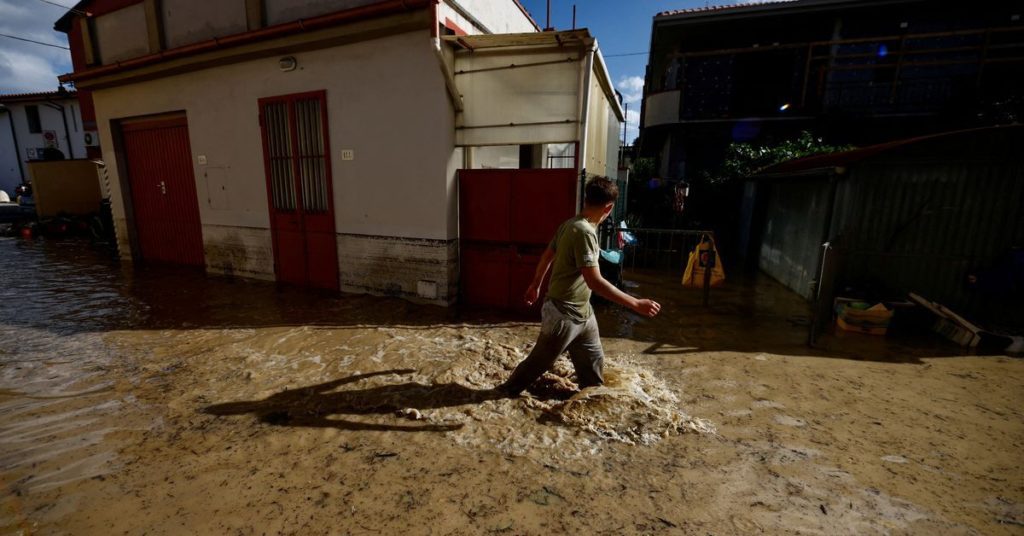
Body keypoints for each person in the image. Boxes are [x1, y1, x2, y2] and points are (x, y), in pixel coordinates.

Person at [498, 177, 661, 396]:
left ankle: (591, 406)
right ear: (609, 208)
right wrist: (635, 303)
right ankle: (499, 395)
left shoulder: (570, 224)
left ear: (586, 199)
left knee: (594, 371)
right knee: (537, 365)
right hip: (563, 314)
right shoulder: (582, 231)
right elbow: (594, 281)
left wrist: (536, 284)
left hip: (584, 313)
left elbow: (547, 256)